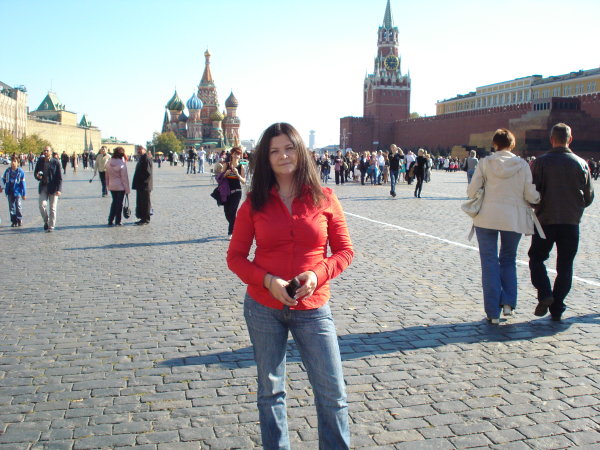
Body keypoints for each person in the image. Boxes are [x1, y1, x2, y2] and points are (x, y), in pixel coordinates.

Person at [227, 122, 353, 449]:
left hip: (313, 307)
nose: (283, 156)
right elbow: (236, 257)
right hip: (263, 307)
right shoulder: (254, 203)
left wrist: (317, 275)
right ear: (265, 159)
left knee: (332, 392)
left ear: (301, 152)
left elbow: (344, 251)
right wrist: (268, 281)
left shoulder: (325, 198)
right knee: (271, 392)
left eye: (289, 148)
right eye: (274, 151)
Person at [467, 129, 540, 324]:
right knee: (508, 259)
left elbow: (472, 191)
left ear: (495, 144)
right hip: (513, 219)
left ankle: (492, 313)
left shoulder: (485, 163)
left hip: (486, 218)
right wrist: (538, 199)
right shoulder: (522, 165)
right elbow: (530, 194)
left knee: (489, 263)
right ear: (512, 144)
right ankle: (508, 303)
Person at [528, 123, 594, 321]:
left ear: (551, 139)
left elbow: (532, 193)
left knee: (536, 259)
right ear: (570, 139)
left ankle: (545, 293)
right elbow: (589, 197)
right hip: (570, 222)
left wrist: (537, 205)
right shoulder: (581, 163)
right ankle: (557, 307)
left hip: (545, 220)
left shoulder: (540, 163)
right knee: (565, 265)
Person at [33, 147, 62, 232]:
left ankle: (51, 226)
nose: (45, 152)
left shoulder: (56, 162)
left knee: (52, 208)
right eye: (44, 150)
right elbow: (36, 173)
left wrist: (59, 189)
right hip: (43, 186)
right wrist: (37, 176)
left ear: (51, 152)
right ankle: (46, 220)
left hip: (53, 187)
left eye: (47, 150)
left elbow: (59, 177)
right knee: (41, 205)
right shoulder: (40, 161)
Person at [221, 147, 246, 238]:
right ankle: (236, 226)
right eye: (235, 154)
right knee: (227, 212)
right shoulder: (226, 165)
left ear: (240, 156)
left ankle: (230, 232)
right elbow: (220, 177)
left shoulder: (241, 167)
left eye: (238, 154)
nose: (236, 156)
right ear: (231, 154)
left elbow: (244, 181)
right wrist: (225, 174)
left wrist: (237, 174)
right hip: (226, 192)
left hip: (237, 192)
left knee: (232, 211)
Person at [104, 146, 130, 226]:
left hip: (112, 185)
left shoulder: (108, 162)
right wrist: (127, 189)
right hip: (120, 187)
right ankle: (118, 221)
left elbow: (106, 176)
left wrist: (107, 185)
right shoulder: (122, 164)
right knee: (119, 204)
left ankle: (110, 220)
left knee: (114, 202)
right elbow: (124, 178)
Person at [2, 157, 27, 227]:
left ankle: (19, 219)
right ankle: (13, 221)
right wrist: (1, 187)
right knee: (11, 207)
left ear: (18, 163)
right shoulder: (7, 171)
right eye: (12, 161)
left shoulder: (20, 172)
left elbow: (23, 183)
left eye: (15, 161)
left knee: (18, 206)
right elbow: (3, 180)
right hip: (9, 191)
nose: (13, 163)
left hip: (17, 191)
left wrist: (24, 194)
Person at [131, 145, 153, 225]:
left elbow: (148, 172)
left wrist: (140, 179)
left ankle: (146, 219)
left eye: (140, 149)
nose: (138, 151)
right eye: (138, 149)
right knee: (141, 202)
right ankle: (142, 218)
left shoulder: (146, 158)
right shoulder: (142, 158)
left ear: (144, 150)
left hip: (144, 185)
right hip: (141, 185)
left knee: (145, 203)